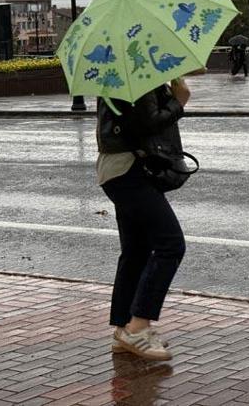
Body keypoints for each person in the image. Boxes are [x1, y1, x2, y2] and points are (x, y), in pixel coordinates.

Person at [95, 77, 191, 361]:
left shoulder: (121, 72)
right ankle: (138, 327)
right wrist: (178, 102)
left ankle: (124, 329)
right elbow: (146, 123)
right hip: (128, 170)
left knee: (136, 251)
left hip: (121, 169)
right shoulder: (134, 75)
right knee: (170, 245)